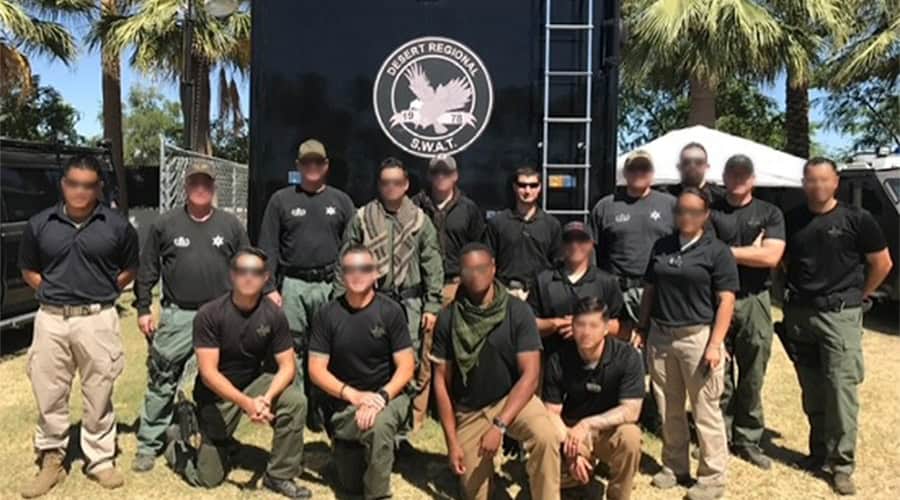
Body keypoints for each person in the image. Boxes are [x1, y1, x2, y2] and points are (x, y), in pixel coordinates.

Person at [18, 154, 139, 497]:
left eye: (88, 185)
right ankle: (52, 458)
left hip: (97, 319)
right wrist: (50, 291)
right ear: (63, 184)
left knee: (99, 390)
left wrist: (104, 290)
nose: (80, 191)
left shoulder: (117, 226)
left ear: (98, 187)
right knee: (49, 392)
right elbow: (28, 268)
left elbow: (130, 267)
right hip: (52, 320)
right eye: (73, 184)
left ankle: (99, 459)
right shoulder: (40, 224)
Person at [782, 157, 892, 496]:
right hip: (801, 315)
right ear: (804, 182)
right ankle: (819, 454)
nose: (817, 186)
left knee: (841, 392)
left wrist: (860, 296)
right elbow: (785, 261)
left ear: (836, 181)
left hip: (840, 315)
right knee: (812, 389)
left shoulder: (857, 219)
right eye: (811, 180)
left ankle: (842, 465)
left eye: (823, 180)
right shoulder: (793, 220)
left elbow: (882, 263)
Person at [165, 248, 311, 498]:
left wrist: (266, 398)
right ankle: (177, 438)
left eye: (256, 272)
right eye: (242, 271)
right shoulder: (210, 314)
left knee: (295, 401)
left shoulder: (273, 313)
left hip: (254, 383)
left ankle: (279, 475)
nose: (248, 277)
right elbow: (209, 373)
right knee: (208, 479)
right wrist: (246, 404)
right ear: (232, 275)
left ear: (266, 278)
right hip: (217, 393)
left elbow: (287, 365)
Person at [133, 160, 250, 472]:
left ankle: (216, 436)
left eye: (206, 183)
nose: (201, 188)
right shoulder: (165, 224)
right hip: (178, 315)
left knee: (218, 379)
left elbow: (247, 267)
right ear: (185, 186)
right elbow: (147, 270)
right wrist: (144, 307)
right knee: (162, 377)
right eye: (194, 182)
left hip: (221, 314)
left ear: (213, 187)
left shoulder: (230, 225)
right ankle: (149, 443)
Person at [431, 243, 563, 500]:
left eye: (481, 268)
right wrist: (452, 442)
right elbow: (441, 383)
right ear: (460, 273)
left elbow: (530, 375)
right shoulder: (448, 318)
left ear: (494, 268)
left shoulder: (517, 311)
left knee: (545, 436)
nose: (475, 275)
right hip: (471, 409)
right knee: (473, 492)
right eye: (468, 270)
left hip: (512, 398)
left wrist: (500, 425)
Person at [635, 188, 739, 500]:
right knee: (668, 406)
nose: (686, 217)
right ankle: (674, 465)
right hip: (662, 336)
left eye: (694, 211)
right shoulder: (663, 245)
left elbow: (726, 300)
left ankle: (712, 476)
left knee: (705, 408)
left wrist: (715, 343)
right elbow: (649, 290)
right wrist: (642, 326)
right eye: (681, 210)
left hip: (698, 337)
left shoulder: (717, 251)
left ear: (706, 214)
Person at [341, 156, 443, 431]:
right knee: (372, 359)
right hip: (373, 300)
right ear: (379, 185)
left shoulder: (420, 221)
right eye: (386, 182)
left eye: (397, 182)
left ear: (406, 184)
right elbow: (347, 258)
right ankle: (365, 421)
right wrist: (342, 302)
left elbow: (432, 263)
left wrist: (432, 306)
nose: (391, 188)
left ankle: (402, 429)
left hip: (410, 302)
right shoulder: (363, 217)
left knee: (407, 363)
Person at [308, 244, 416, 498]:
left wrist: (381, 397)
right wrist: (354, 396)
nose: (357, 275)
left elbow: (406, 366)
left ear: (376, 273)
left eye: (364, 269)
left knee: (378, 425)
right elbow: (315, 369)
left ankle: (378, 494)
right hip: (345, 403)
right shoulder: (327, 314)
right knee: (349, 483)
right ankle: (353, 448)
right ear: (342, 275)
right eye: (350, 269)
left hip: (388, 397)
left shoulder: (391, 311)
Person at [258, 139, 355, 414]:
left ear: (326, 166)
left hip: (329, 285)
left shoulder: (341, 201)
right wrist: (270, 289)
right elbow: (269, 246)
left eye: (318, 162)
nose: (312, 167)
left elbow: (351, 248)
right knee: (292, 349)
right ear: (298, 166)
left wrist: (344, 287)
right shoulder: (281, 200)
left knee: (330, 348)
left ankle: (326, 410)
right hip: (293, 285)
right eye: (306, 162)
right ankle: (296, 408)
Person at [712, 154, 785, 470]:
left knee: (753, 371)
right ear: (725, 177)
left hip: (754, 299)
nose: (738, 179)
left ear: (752, 179)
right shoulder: (713, 212)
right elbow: (704, 252)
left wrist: (727, 252)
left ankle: (748, 438)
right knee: (718, 373)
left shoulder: (769, 212)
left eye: (744, 174)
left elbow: (771, 257)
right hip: (716, 299)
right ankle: (721, 433)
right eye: (733, 173)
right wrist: (750, 251)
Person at [543, 297, 644, 500]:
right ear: (572, 326)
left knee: (631, 436)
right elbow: (551, 412)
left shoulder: (627, 357)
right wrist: (572, 448)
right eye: (580, 324)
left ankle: (618, 495)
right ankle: (572, 480)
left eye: (593, 325)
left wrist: (588, 424)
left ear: (606, 328)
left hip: (606, 429)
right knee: (546, 442)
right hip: (570, 430)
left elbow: (631, 411)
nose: (586, 332)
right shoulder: (558, 359)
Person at [411, 154, 484, 429]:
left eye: (447, 172)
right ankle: (418, 414)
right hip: (426, 288)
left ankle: (457, 409)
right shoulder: (416, 206)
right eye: (436, 172)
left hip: (458, 286)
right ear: (430, 176)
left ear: (456, 176)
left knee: (460, 349)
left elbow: (478, 251)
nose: (441, 177)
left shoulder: (469, 209)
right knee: (426, 352)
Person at [589, 150, 676, 341]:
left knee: (657, 347)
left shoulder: (670, 205)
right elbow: (593, 251)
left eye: (644, 168)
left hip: (658, 290)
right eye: (633, 168)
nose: (639, 172)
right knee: (617, 345)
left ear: (652, 173)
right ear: (625, 173)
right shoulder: (606, 206)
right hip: (617, 291)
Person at [529, 221, 624, 358]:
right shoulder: (543, 280)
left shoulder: (607, 281)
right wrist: (555, 324)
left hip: (596, 363)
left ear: (591, 244)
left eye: (582, 240)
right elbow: (529, 323)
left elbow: (623, 327)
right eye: (569, 240)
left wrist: (583, 326)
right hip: (553, 361)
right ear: (561, 245)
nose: (575, 245)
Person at [485, 166, 562, 301]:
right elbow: (488, 261)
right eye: (522, 185)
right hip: (504, 292)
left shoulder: (551, 225)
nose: (527, 190)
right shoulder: (497, 223)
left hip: (539, 295)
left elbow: (557, 265)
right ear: (514, 187)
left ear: (540, 188)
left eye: (533, 185)